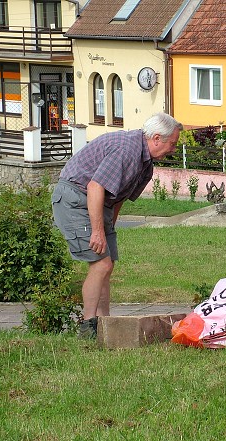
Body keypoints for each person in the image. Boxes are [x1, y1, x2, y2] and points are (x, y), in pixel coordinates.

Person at [51, 112, 183, 339]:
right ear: (157, 138)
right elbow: (95, 186)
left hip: (99, 202)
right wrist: (97, 231)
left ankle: (105, 324)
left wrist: (108, 227)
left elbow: (119, 196)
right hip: (76, 198)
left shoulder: (146, 164)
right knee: (101, 265)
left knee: (107, 265)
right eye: (172, 143)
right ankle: (88, 327)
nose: (174, 148)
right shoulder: (128, 150)